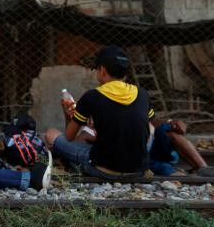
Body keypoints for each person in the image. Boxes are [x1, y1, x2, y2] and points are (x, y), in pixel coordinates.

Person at [45, 45, 152, 178]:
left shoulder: (92, 96)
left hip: (103, 169)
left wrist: (68, 115)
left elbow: (69, 137)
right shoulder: (142, 94)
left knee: (51, 134)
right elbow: (147, 131)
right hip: (138, 169)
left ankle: (71, 165)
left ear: (102, 70)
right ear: (125, 72)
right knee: (151, 126)